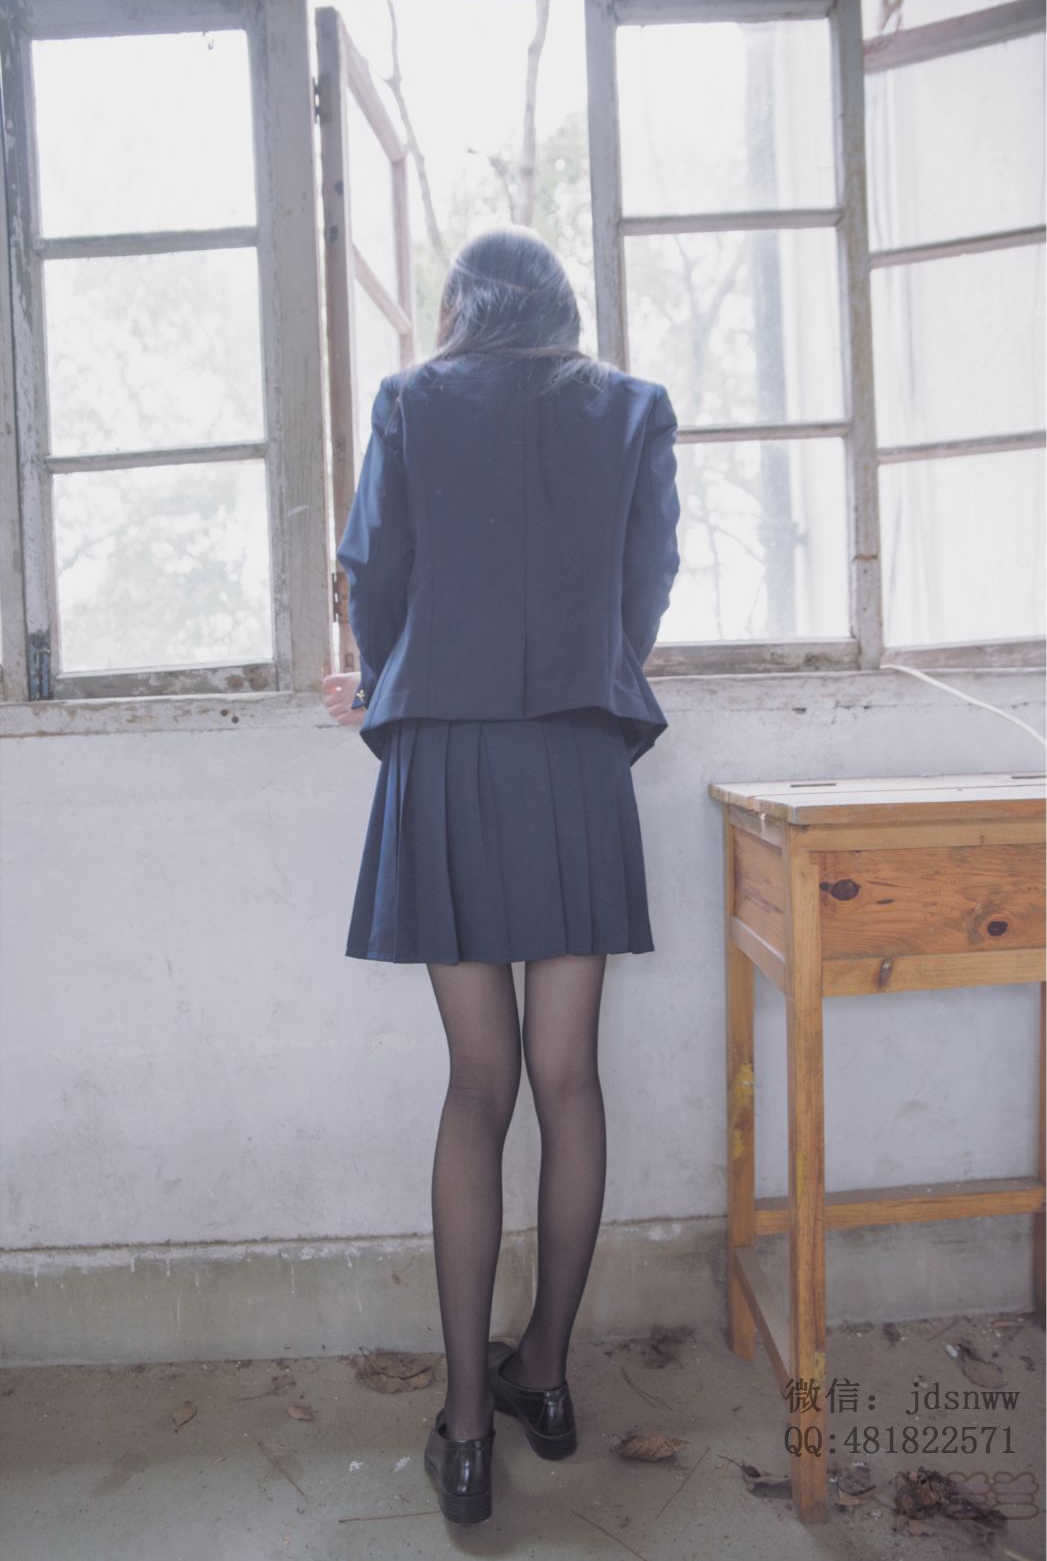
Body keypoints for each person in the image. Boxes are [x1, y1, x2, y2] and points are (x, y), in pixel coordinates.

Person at [322, 225, 681, 1526]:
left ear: (461, 308)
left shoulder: (410, 400)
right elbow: (646, 584)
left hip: (447, 758)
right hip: (576, 756)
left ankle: (468, 1433)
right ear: (561, 306)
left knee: (477, 1087)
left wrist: (389, 682)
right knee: (567, 1079)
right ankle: (550, 1379)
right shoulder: (633, 407)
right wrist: (583, 670)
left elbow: (376, 575)